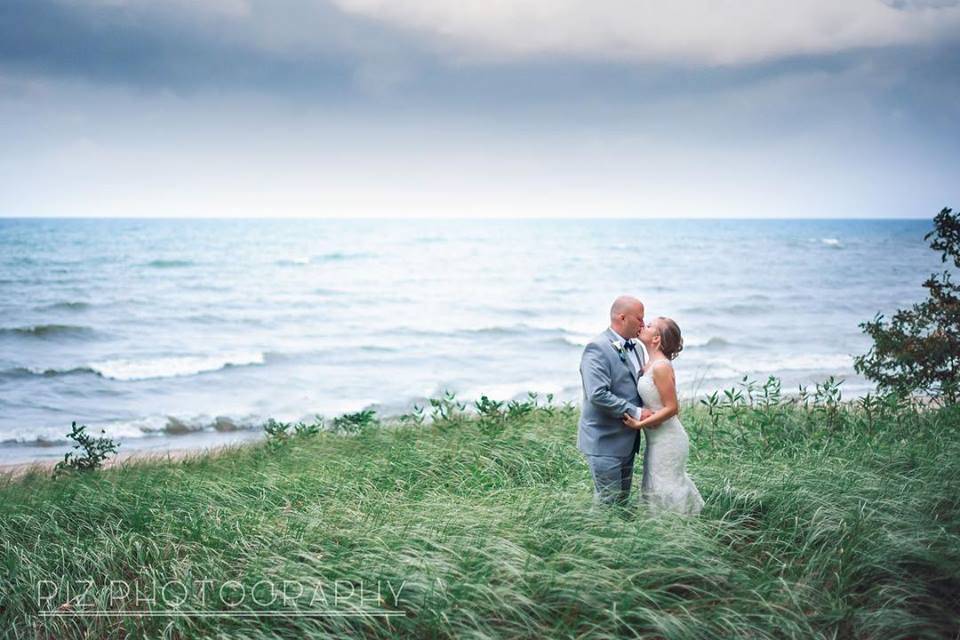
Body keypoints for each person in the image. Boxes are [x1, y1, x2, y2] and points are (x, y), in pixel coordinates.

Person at [622, 317, 704, 516]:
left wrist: (639, 424)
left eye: (649, 325)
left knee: (666, 486)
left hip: (668, 439)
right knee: (654, 484)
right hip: (657, 439)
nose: (643, 325)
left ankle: (679, 529)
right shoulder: (650, 363)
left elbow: (672, 408)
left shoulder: (661, 367)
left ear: (656, 339)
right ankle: (662, 530)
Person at [577, 295, 653, 506]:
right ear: (622, 317)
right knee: (607, 503)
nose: (643, 324)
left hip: (629, 439)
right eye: (639, 318)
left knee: (621, 501)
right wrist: (637, 412)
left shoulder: (637, 347)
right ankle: (592, 539)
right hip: (604, 441)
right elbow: (597, 394)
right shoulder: (597, 348)